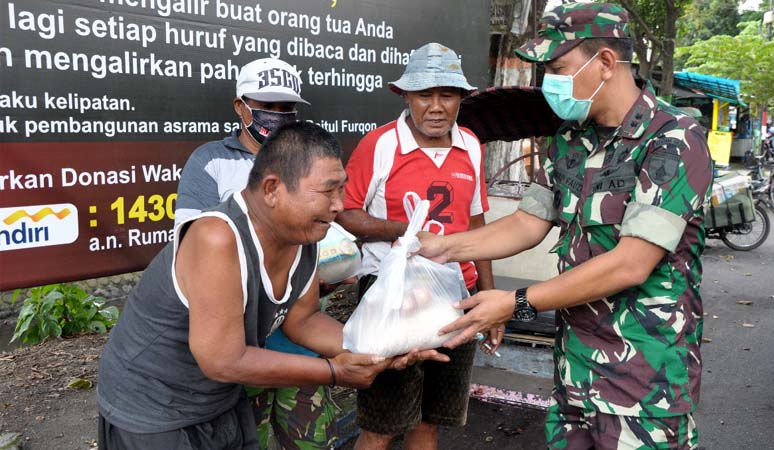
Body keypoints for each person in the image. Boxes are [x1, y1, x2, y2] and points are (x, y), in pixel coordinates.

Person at [416, 4, 713, 449]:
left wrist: (514, 303)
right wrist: (439, 248)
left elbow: (630, 264)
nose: (548, 82)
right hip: (574, 374)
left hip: (644, 384)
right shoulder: (571, 140)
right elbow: (526, 222)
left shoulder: (674, 140)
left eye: (558, 68)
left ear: (607, 64)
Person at [97, 122, 446, 450]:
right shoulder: (218, 237)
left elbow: (303, 320)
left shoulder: (302, 235)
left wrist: (382, 346)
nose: (339, 206)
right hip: (151, 409)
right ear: (272, 189)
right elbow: (223, 359)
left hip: (218, 400)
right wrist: (334, 372)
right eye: (328, 191)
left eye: (341, 189)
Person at [336, 42, 500, 450]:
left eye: (447, 94)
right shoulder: (380, 145)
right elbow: (345, 212)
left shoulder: (471, 148)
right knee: (382, 423)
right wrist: (406, 231)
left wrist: (488, 295)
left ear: (461, 98)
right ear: (405, 96)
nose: (436, 106)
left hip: (455, 300)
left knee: (429, 421)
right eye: (425, 95)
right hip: (392, 296)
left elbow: (477, 226)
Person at [173, 57, 341, 450]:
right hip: (239, 342)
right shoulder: (210, 161)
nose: (278, 116)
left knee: (311, 439)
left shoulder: (309, 164)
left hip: (298, 331)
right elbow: (194, 251)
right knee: (252, 436)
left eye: (287, 109)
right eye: (268, 106)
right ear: (240, 106)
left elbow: (323, 232)